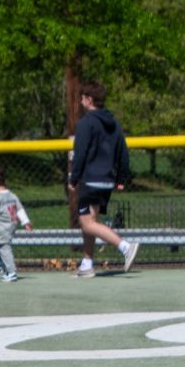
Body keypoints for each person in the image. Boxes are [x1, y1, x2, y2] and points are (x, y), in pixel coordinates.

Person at [67, 81, 137, 277]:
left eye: (82, 98)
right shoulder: (114, 123)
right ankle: (87, 264)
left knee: (87, 223)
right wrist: (121, 178)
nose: (80, 101)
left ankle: (125, 247)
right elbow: (123, 153)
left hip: (90, 180)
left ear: (89, 99)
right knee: (91, 221)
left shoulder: (85, 123)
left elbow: (80, 154)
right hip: (107, 180)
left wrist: (73, 179)